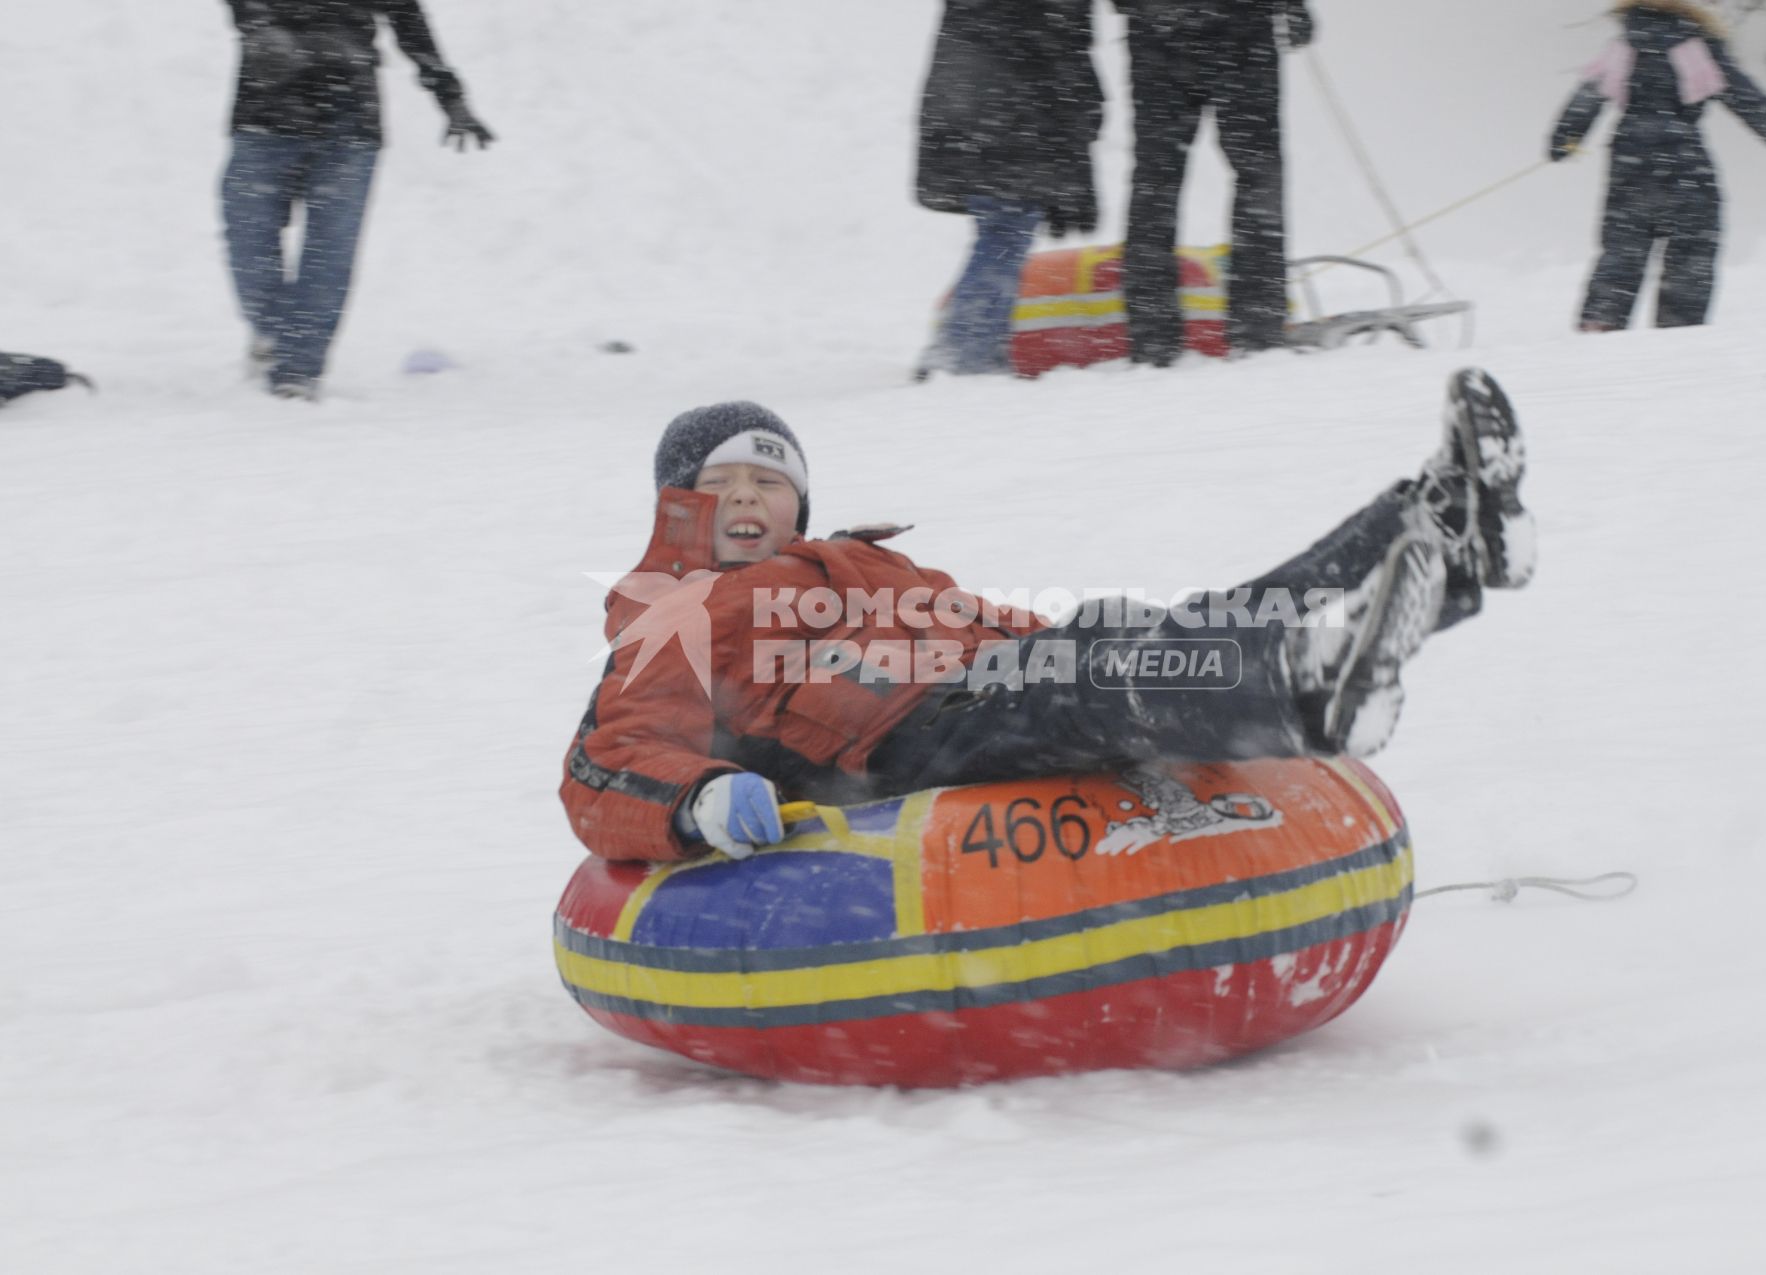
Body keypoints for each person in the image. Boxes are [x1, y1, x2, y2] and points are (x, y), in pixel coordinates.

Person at [559, 369, 1534, 863]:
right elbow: (608, 758)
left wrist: (1096, 640)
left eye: (769, 482)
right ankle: (1306, 697)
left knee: (1127, 634)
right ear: (675, 505)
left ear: (799, 503)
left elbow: (981, 623)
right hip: (881, 746)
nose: (746, 498)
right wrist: (694, 801)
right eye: (719, 483)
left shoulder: (859, 560)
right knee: (1082, 681)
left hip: (966, 691)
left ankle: (1436, 528)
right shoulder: (673, 613)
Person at [220, 1, 494, 401]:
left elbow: (407, 16)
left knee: (329, 255)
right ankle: (276, 332)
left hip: (348, 122)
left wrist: (450, 96)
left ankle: (297, 371)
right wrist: (258, 23)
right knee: (248, 239)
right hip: (265, 113)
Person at [1549, 0, 1766, 332]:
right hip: (1683, 159)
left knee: (1623, 246)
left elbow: (1587, 96)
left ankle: (1602, 320)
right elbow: (1748, 100)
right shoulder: (1697, 46)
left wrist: (1566, 138)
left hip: (1629, 159)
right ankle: (1679, 328)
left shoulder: (1622, 47)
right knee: (1692, 247)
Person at [1115, 1, 1315, 367]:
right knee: (1257, 176)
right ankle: (1257, 332)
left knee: (1155, 181)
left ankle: (1152, 339)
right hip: (1238, 29)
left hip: (1160, 31)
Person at [913, 0, 1104, 377]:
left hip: (977, 107)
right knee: (1003, 236)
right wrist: (1078, 152)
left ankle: (968, 346)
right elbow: (1062, 56)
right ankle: (964, 355)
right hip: (1011, 117)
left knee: (1000, 235)